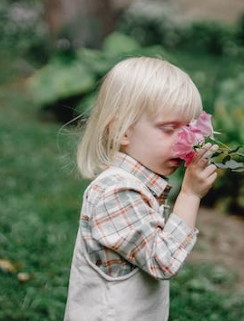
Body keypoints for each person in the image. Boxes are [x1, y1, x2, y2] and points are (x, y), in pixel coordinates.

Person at [64, 56, 218, 321]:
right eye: (169, 128)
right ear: (122, 131)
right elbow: (163, 260)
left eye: (189, 129)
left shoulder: (136, 185)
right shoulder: (117, 192)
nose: (185, 140)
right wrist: (190, 195)